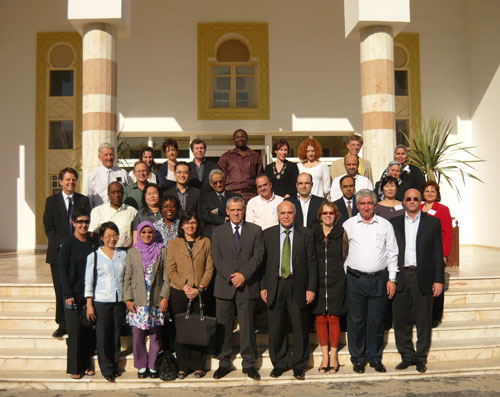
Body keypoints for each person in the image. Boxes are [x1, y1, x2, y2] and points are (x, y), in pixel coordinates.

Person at [260, 201, 318, 380]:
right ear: (277, 215)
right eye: (282, 213)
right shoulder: (267, 234)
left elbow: (312, 263)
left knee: (300, 327)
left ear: (295, 214)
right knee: (276, 327)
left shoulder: (306, 234)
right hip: (275, 285)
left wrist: (311, 288)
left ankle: (299, 365)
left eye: (289, 213)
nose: (286, 216)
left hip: (298, 285)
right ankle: (279, 363)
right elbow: (262, 264)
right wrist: (263, 286)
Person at [343, 189, 398, 374]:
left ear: (375, 205)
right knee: (356, 321)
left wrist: (392, 279)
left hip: (379, 280)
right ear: (357, 205)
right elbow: (343, 254)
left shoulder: (385, 225)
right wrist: (347, 276)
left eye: (369, 203)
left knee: (376, 321)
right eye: (362, 203)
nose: (366, 207)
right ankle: (358, 359)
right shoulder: (348, 225)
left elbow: (392, 253)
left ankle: (375, 358)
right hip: (355, 280)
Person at [390, 189, 445, 373]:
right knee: (401, 319)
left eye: (415, 199)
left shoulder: (433, 223)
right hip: (401, 276)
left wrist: (439, 280)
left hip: (423, 276)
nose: (412, 201)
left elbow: (438, 253)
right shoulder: (394, 223)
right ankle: (406, 356)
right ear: (404, 201)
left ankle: (421, 357)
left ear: (420, 201)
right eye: (408, 199)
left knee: (423, 319)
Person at [210, 196, 265, 380]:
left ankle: (249, 363)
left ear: (244, 210)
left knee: (248, 327)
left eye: (239, 209)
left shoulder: (255, 231)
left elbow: (258, 255)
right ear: (227, 211)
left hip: (247, 286)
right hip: (224, 286)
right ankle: (223, 362)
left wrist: (244, 275)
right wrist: (231, 276)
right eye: (232, 210)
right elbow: (216, 257)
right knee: (223, 327)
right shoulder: (218, 232)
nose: (235, 213)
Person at [43, 167, 91, 338]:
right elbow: (49, 228)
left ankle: (79, 320)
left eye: (73, 180)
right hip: (58, 253)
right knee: (61, 289)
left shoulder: (83, 200)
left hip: (79, 253)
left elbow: (86, 224)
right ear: (61, 181)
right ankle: (62, 323)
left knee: (78, 288)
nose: (71, 183)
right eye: (68, 180)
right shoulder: (51, 201)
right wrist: (63, 245)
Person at [167, 212, 214, 379]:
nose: (190, 226)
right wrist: (185, 286)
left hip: (200, 291)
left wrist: (200, 287)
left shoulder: (205, 242)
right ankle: (183, 366)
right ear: (182, 226)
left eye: (193, 223)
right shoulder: (174, 244)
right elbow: (171, 269)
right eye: (187, 223)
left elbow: (209, 268)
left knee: (198, 329)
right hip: (180, 292)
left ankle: (199, 365)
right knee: (182, 329)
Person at [124, 221, 169, 379]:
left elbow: (166, 276)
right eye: (143, 232)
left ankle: (152, 365)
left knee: (155, 335)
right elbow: (127, 277)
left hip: (156, 300)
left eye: (150, 232)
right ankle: (141, 365)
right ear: (139, 234)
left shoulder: (161, 249)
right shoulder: (133, 252)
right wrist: (128, 299)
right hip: (138, 300)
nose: (147, 235)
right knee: (138, 335)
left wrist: (165, 297)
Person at [84, 222, 127, 382]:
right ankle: (106, 369)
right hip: (101, 300)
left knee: (116, 334)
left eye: (115, 235)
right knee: (103, 335)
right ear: (101, 238)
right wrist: (89, 304)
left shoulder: (123, 255)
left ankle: (115, 365)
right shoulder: (94, 256)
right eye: (108, 236)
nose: (112, 239)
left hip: (119, 300)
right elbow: (89, 281)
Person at [58, 208, 97, 379]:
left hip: (88, 294)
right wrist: (67, 295)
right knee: (74, 330)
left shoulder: (92, 243)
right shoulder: (67, 244)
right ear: (73, 223)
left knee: (88, 328)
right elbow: (62, 272)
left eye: (86, 222)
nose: (83, 225)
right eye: (80, 221)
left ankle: (87, 365)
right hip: (72, 295)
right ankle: (74, 368)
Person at [311, 201, 346, 374]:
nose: (328, 216)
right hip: (317, 282)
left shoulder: (341, 233)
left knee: (333, 317)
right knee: (320, 318)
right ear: (320, 215)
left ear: (336, 215)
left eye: (331, 213)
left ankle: (333, 356)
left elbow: (346, 256)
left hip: (336, 281)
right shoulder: (313, 233)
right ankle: (324, 356)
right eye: (324, 213)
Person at [421, 181, 453, 327]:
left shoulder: (443, 209)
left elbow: (447, 233)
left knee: (437, 283)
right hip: (421, 253)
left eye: (432, 191)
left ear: (437, 193)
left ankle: (435, 317)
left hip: (437, 253)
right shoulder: (418, 207)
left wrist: (444, 254)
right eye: (427, 191)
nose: (429, 193)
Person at [89, 182, 138, 250]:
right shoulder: (98, 211)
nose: (116, 195)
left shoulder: (132, 211)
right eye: (113, 192)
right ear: (108, 194)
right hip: (104, 251)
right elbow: (92, 234)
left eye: (119, 192)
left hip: (126, 251)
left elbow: (136, 235)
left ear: (123, 194)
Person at [218, 129, 263, 202]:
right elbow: (220, 177)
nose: (240, 139)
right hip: (231, 193)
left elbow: (260, 176)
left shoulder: (255, 156)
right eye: (237, 137)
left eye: (243, 137)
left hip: (251, 194)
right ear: (233, 140)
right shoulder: (226, 156)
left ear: (247, 138)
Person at [85, 142, 131, 208]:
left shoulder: (123, 173)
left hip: (120, 212)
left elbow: (129, 193)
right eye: (106, 155)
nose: (109, 157)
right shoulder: (93, 175)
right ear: (99, 157)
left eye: (111, 154)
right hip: (100, 214)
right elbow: (89, 198)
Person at [199, 169, 241, 239]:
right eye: (215, 183)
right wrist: (224, 219)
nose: (218, 185)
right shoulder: (205, 198)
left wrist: (217, 211)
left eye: (220, 182)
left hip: (231, 233)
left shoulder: (235, 197)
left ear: (224, 181)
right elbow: (205, 215)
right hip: (212, 234)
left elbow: (238, 213)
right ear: (211, 184)